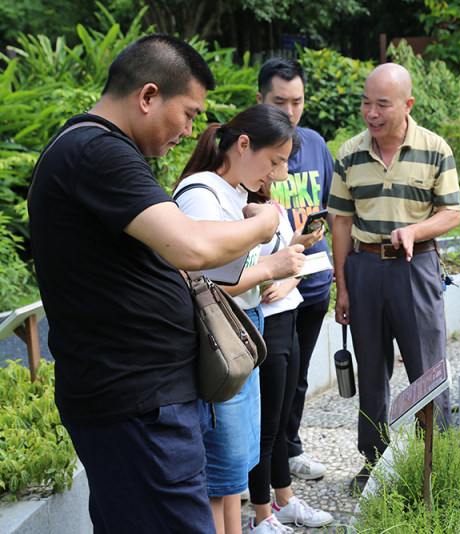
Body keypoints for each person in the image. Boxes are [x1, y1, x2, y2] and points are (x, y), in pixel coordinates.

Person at [27, 34, 281, 533]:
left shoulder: (94, 151)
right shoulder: (97, 151)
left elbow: (180, 247)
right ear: (147, 96)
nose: (192, 131)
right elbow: (191, 246)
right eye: (189, 113)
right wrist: (264, 223)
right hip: (137, 407)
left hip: (135, 403)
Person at [173, 104, 311, 534]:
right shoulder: (202, 193)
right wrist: (271, 268)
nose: (281, 175)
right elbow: (201, 283)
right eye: (275, 161)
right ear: (243, 144)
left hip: (243, 329)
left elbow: (248, 262)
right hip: (220, 336)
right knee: (222, 467)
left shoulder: (236, 194)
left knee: (237, 464)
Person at [328, 62, 460, 493]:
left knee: (427, 368)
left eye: (382, 104)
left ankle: (434, 464)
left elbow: (453, 212)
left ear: (407, 105)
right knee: (371, 370)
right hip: (364, 267)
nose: (371, 112)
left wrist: (415, 230)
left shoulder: (434, 148)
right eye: (366, 102)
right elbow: (341, 223)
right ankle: (374, 462)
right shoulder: (349, 152)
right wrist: (343, 287)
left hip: (416, 267)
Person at [245, 151, 334, 532]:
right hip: (267, 320)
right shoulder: (240, 207)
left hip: (289, 313)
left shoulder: (271, 206)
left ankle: (284, 500)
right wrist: (272, 278)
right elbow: (246, 265)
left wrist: (298, 248)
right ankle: (262, 514)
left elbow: (288, 258)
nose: (280, 174)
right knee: (266, 424)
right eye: (276, 164)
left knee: (280, 420)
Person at [256, 57, 335, 481]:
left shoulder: (317, 145)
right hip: (271, 290)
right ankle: (264, 469)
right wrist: (282, 275)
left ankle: (290, 451)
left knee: (298, 378)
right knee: (271, 384)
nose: (289, 111)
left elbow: (332, 215)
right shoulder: (252, 152)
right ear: (261, 99)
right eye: (279, 101)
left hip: (314, 282)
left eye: (297, 101)